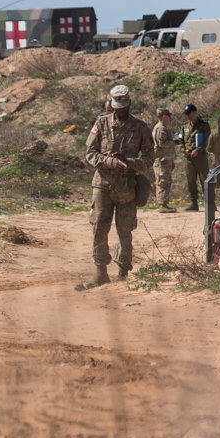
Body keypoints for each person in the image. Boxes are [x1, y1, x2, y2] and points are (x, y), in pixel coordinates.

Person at [80, 84, 152, 289]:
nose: (121, 111)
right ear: (112, 104)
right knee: (99, 226)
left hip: (127, 186)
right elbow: (90, 154)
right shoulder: (101, 124)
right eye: (117, 106)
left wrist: (128, 163)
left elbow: (148, 159)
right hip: (102, 184)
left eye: (124, 107)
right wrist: (110, 162)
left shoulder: (141, 127)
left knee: (125, 230)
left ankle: (123, 272)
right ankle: (101, 272)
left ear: (129, 104)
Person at [183, 104, 211, 212]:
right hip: (188, 158)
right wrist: (184, 150)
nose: (188, 116)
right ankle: (194, 203)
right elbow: (180, 141)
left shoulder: (204, 125)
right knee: (191, 180)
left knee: (205, 179)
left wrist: (198, 149)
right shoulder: (184, 126)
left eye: (189, 114)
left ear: (195, 112)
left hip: (201, 156)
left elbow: (208, 140)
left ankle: (209, 203)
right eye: (186, 114)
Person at [149, 108, 178, 211]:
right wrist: (174, 142)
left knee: (166, 180)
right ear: (164, 116)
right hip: (161, 160)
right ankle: (162, 205)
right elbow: (162, 143)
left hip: (165, 159)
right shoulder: (160, 128)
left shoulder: (163, 128)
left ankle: (164, 203)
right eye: (169, 116)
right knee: (163, 181)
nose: (170, 118)